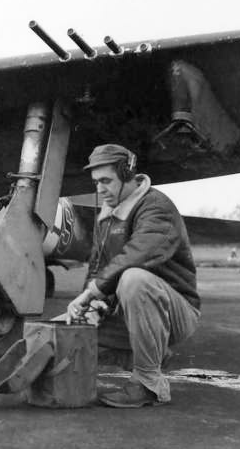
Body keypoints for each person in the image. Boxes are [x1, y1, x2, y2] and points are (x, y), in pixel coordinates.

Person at [64, 144, 200, 408]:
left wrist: (92, 292)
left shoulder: (156, 206)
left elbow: (137, 255)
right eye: (96, 182)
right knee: (64, 328)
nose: (100, 189)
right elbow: (96, 267)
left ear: (127, 175)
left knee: (134, 279)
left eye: (106, 181)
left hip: (177, 312)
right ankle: (149, 353)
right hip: (132, 310)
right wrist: (90, 307)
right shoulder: (107, 213)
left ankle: (149, 384)